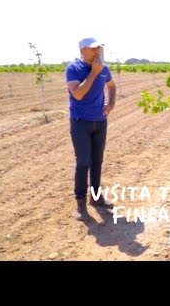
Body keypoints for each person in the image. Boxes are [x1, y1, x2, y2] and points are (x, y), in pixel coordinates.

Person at [66, 37, 116, 221]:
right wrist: (94, 73)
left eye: (99, 48)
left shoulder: (105, 69)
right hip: (81, 122)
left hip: (100, 121)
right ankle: (80, 204)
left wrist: (111, 103)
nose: (98, 52)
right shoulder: (73, 69)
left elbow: (111, 86)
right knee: (83, 162)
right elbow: (77, 94)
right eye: (94, 49)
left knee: (97, 161)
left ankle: (96, 199)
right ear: (83, 51)